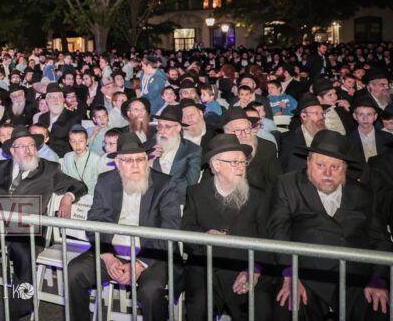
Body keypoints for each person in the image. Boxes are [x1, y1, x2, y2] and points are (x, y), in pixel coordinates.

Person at [269, 130, 392, 320]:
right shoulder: (288, 185)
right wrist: (289, 273)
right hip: (306, 276)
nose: (327, 173)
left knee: (380, 310)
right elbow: (278, 232)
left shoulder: (362, 193)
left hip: (355, 280)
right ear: (308, 162)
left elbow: (381, 239)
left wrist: (378, 279)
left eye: (335, 167)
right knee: (287, 307)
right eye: (320, 165)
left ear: (345, 168)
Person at [66, 132, 180, 321]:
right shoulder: (106, 181)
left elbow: (170, 230)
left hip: (150, 254)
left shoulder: (165, 184)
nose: (135, 165)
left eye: (140, 159)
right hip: (112, 251)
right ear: (118, 163)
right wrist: (108, 257)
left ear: (147, 160)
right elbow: (94, 222)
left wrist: (139, 264)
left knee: (151, 291)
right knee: (74, 272)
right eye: (128, 160)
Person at [0, 126, 88, 319]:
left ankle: (16, 310)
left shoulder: (49, 169)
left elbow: (79, 185)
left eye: (32, 146)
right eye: (22, 146)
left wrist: (68, 197)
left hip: (27, 231)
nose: (28, 150)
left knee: (23, 255)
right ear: (12, 151)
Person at [182, 134, 275, 320]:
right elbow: (186, 230)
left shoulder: (259, 196)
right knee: (198, 306)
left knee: (261, 308)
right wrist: (204, 236)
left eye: (243, 162)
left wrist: (254, 269)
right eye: (234, 162)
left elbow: (268, 239)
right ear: (216, 165)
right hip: (205, 268)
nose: (241, 167)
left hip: (244, 267)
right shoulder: (196, 193)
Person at [147, 104, 201, 205]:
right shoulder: (147, 147)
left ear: (178, 128)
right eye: (160, 126)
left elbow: (191, 184)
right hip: (149, 201)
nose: (162, 131)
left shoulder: (192, 150)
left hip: (177, 202)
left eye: (167, 127)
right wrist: (149, 159)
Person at [279, 94, 326, 173]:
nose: (321, 117)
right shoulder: (288, 139)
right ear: (304, 116)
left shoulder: (330, 136)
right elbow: (288, 169)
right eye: (316, 113)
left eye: (322, 113)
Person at [36, 82, 81, 157]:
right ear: (46, 100)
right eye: (52, 97)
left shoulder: (73, 117)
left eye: (59, 97)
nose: (56, 100)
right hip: (43, 156)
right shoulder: (42, 118)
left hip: (63, 157)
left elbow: (74, 143)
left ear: (63, 99)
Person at [348, 97, 393, 165]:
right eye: (361, 114)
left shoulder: (388, 138)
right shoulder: (347, 140)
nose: (365, 118)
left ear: (375, 116)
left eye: (369, 114)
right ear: (355, 116)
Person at [61, 124, 101, 193]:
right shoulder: (67, 157)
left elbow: (97, 184)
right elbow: (65, 179)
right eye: (73, 141)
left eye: (81, 141)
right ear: (70, 142)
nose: (77, 145)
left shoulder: (96, 159)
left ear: (86, 141)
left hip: (90, 194)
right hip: (71, 192)